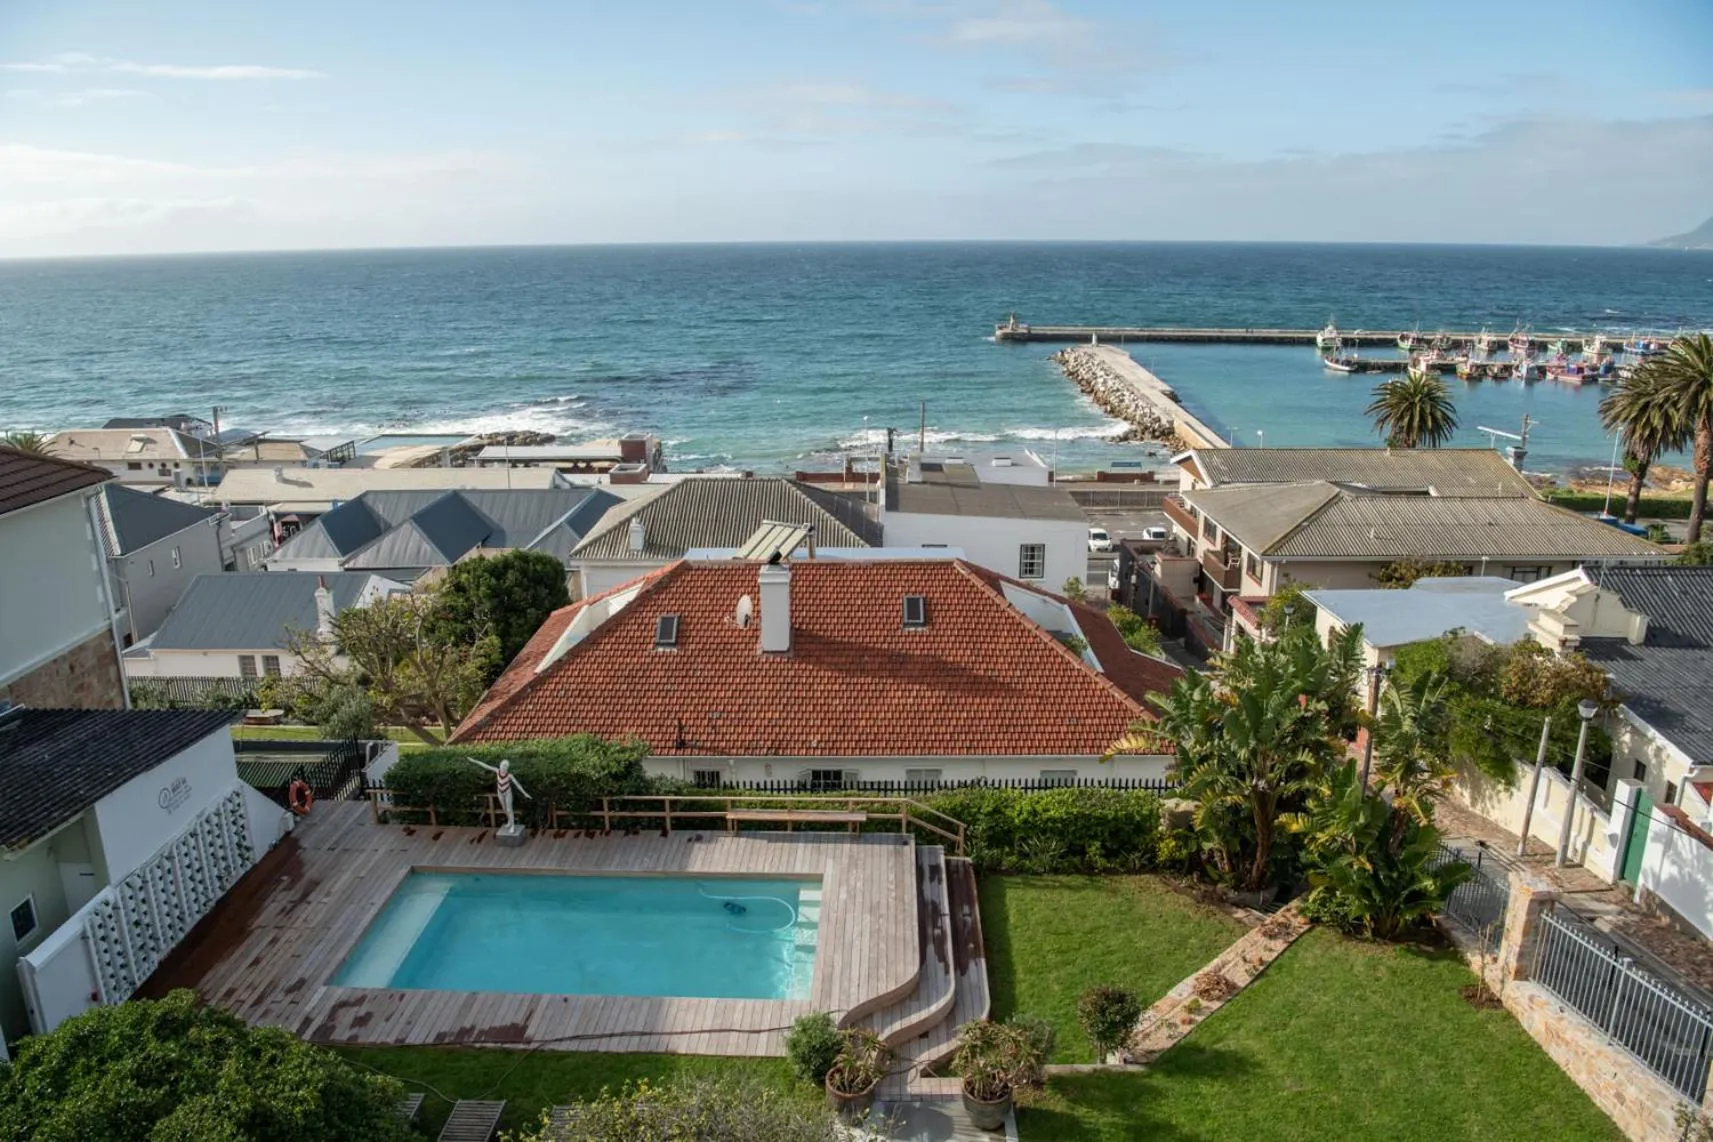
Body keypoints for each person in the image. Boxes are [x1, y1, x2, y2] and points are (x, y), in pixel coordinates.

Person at [466, 756, 532, 831]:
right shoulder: (497, 771)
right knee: (504, 808)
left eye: (505, 767)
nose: (503, 768)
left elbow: (517, 785)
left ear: (507, 768)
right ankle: (510, 821)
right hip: (500, 792)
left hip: (507, 793)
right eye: (502, 766)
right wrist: (474, 761)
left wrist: (525, 793)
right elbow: (486, 766)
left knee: (509, 809)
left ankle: (512, 826)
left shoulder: (509, 776)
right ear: (500, 766)